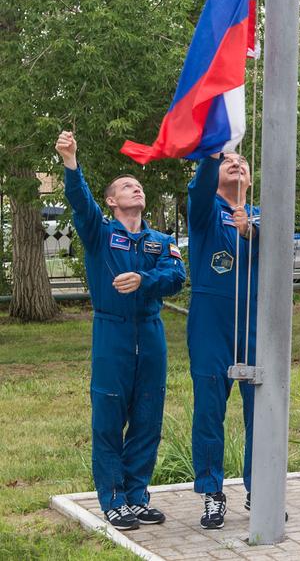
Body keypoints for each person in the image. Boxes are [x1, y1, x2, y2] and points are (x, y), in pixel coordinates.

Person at [56, 131, 186, 531]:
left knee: (148, 417)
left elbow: (176, 275)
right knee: (109, 416)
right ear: (112, 201)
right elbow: (81, 204)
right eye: (128, 186)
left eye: (140, 185)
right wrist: (70, 163)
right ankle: (112, 499)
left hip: (150, 333)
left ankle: (136, 496)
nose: (136, 188)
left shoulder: (160, 240)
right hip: (111, 334)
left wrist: (143, 280)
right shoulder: (100, 233)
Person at [186, 152, 260, 529]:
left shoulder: (262, 216)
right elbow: (197, 190)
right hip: (210, 325)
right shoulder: (205, 209)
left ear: (250, 176)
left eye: (243, 161)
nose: (236, 163)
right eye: (227, 160)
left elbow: (280, 252)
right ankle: (212, 492)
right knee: (210, 412)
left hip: (255, 326)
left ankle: (259, 491)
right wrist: (209, 154)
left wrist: (250, 230)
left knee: (260, 412)